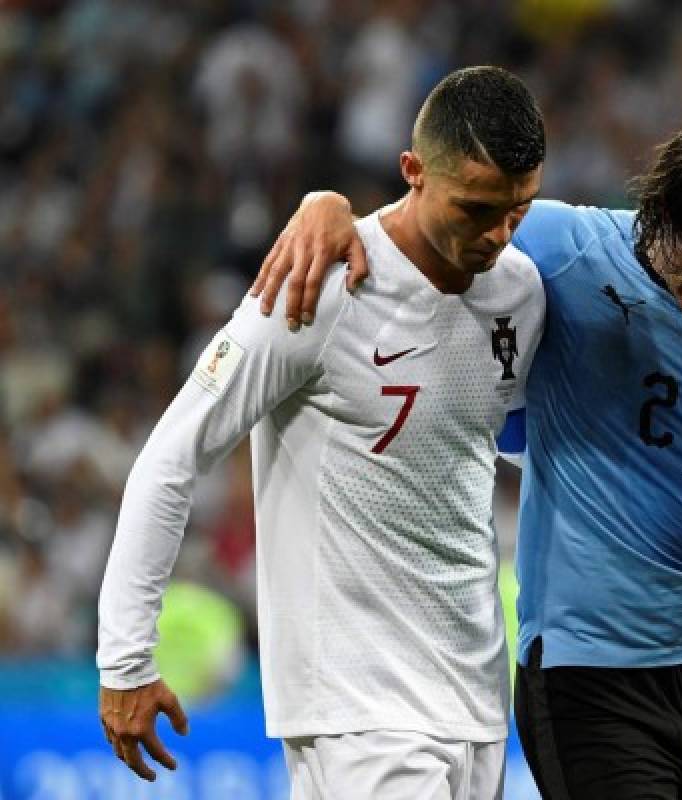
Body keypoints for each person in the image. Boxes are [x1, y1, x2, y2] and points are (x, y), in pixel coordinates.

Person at [256, 112, 682, 799]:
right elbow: (427, 216)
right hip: (587, 671)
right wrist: (329, 208)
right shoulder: (565, 245)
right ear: (660, 215)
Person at [97, 66, 549, 799]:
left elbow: (530, 441)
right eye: (475, 209)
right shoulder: (320, 286)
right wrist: (124, 660)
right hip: (354, 704)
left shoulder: (521, 289)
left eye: (518, 211)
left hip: (477, 697)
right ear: (411, 172)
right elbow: (170, 459)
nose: (497, 234)